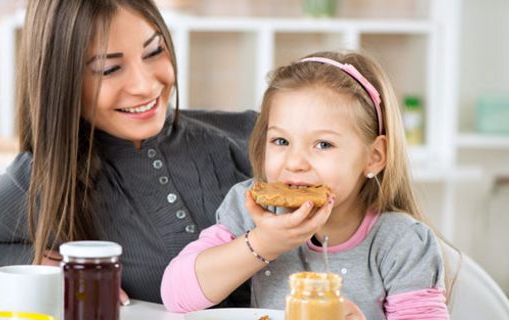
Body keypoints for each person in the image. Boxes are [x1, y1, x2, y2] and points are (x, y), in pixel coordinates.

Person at [0, 0, 255, 306]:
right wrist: (37, 264)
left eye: (154, 51)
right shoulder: (44, 182)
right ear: (62, 81)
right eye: (109, 69)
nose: (144, 85)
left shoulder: (253, 136)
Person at [161, 51, 452, 319]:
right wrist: (263, 243)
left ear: (373, 157)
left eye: (323, 144)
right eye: (281, 141)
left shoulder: (401, 243)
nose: (295, 162)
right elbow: (175, 295)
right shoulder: (252, 207)